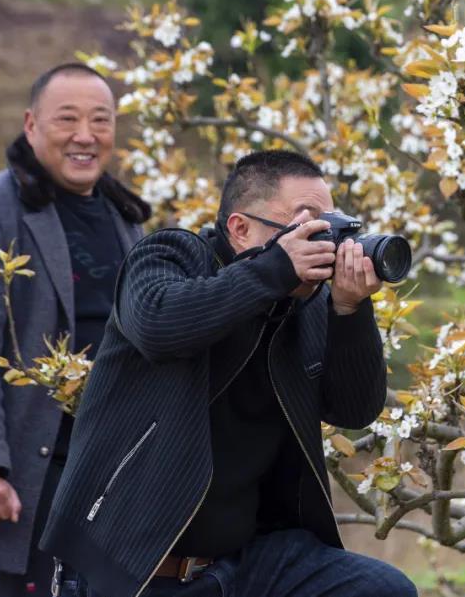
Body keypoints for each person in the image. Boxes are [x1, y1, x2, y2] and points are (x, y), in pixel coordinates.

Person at [41, 150, 417, 597]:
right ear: (240, 229)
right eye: (307, 223)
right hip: (139, 566)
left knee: (382, 590)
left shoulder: (308, 304)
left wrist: (350, 310)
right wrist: (275, 270)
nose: (324, 240)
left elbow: (355, 410)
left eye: (330, 223)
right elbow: (159, 325)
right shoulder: (171, 255)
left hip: (249, 562)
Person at [0, 63, 151, 597]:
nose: (86, 136)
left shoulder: (123, 214)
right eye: (68, 119)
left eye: (101, 121)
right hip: (38, 470)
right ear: (31, 125)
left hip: (117, 469)